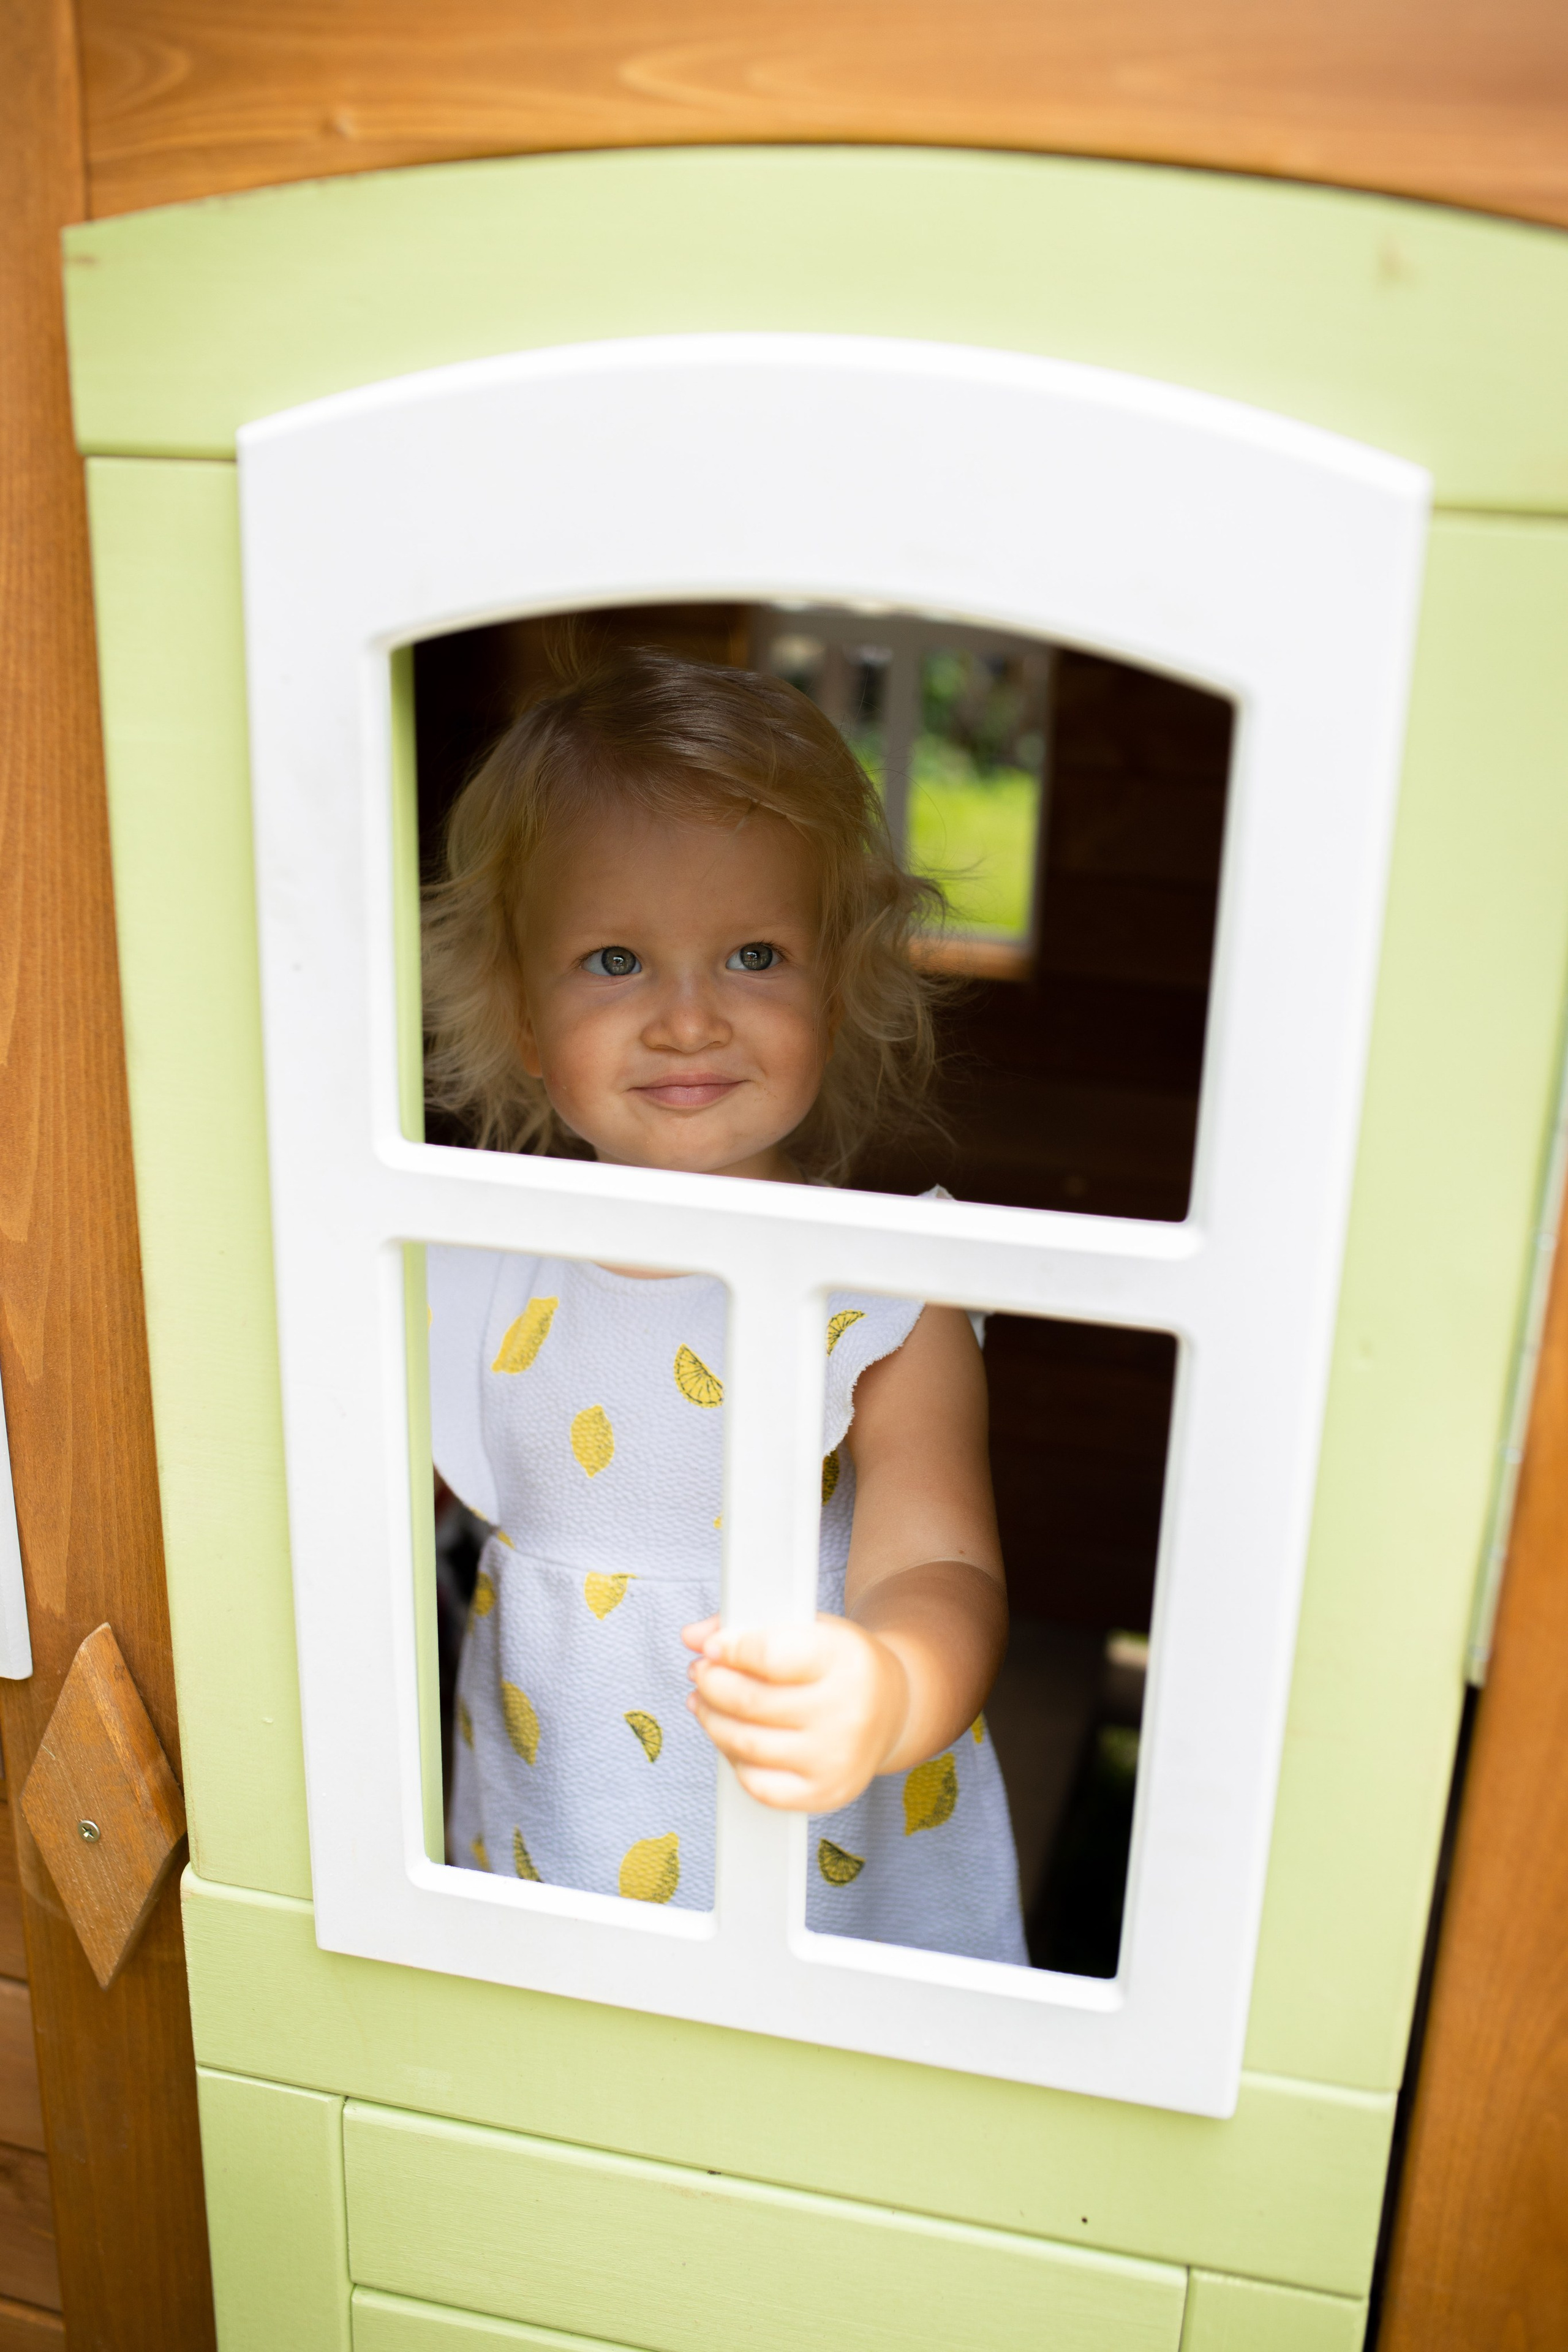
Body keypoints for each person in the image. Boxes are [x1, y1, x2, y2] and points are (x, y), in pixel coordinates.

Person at [422, 646, 1026, 1964]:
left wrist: (887, 1690)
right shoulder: (476, 1262)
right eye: (614, 960)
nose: (688, 1018)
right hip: (557, 1829)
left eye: (753, 953)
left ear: (836, 987)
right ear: (524, 1017)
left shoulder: (879, 1293)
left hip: (814, 1864)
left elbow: (940, 1564)